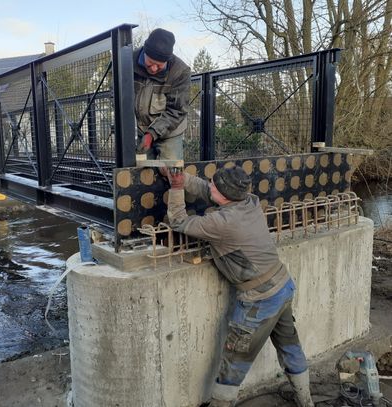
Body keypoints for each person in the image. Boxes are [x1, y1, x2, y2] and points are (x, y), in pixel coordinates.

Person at [163, 166, 314, 407]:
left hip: (260, 299)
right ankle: (306, 402)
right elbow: (209, 191)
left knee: (234, 361)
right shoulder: (249, 201)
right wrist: (181, 177)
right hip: (282, 286)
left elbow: (179, 221)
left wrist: (177, 187)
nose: (208, 185)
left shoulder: (223, 223)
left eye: (213, 183)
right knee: (289, 345)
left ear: (224, 194)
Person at [134, 28, 191, 160]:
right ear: (144, 52)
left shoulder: (180, 71)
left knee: (172, 173)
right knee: (140, 173)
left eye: (159, 65)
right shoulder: (128, 62)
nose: (153, 69)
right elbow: (116, 93)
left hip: (170, 132)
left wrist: (152, 133)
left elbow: (177, 110)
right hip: (139, 130)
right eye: (150, 63)